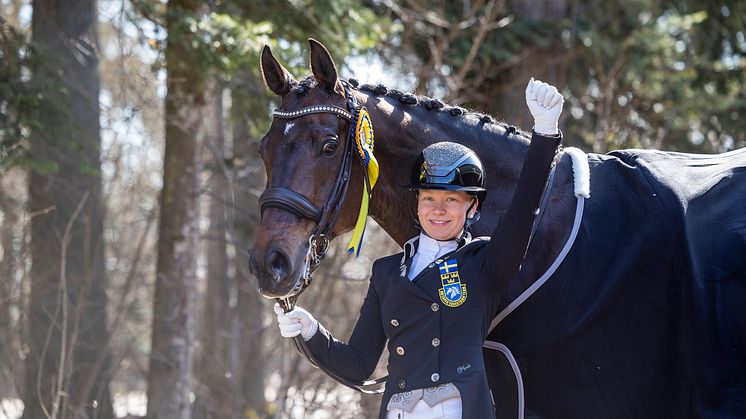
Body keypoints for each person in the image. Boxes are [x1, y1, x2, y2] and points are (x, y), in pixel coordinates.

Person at [274, 78, 564, 418]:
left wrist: (544, 137)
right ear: (417, 204)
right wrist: (311, 331)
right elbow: (357, 365)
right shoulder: (385, 273)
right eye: (428, 198)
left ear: (472, 208)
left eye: (451, 200)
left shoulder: (485, 264)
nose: (438, 209)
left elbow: (522, 210)